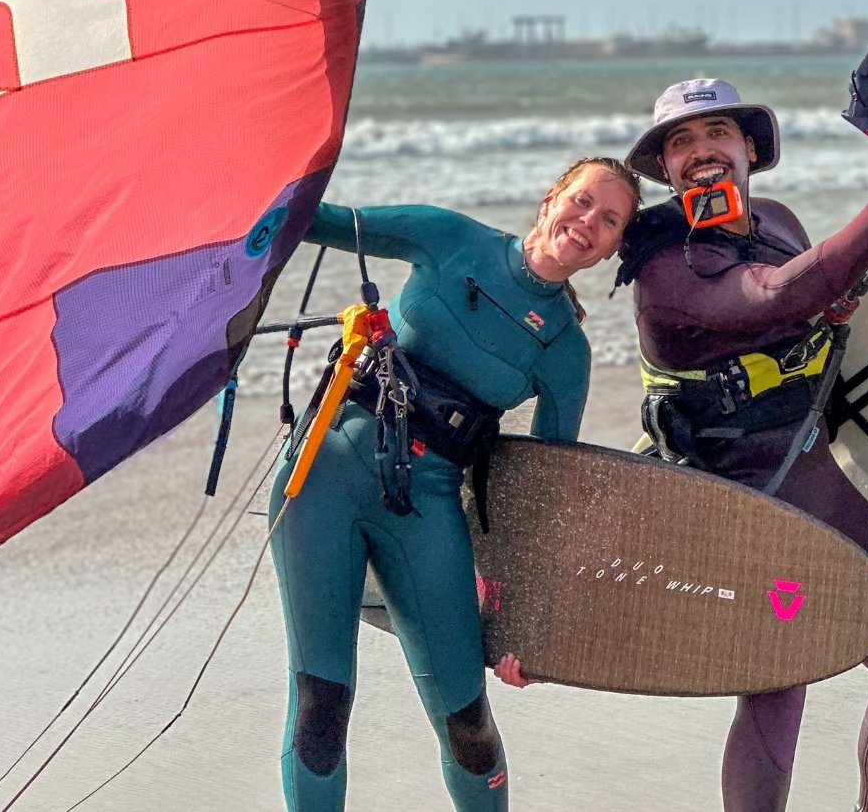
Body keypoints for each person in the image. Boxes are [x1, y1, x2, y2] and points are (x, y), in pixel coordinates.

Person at [266, 157, 641, 812]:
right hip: (320, 478)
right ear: (553, 196)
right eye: (582, 202)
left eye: (608, 221)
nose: (587, 223)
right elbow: (313, 222)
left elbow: (542, 499)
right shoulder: (448, 238)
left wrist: (529, 626)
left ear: (613, 248)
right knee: (320, 710)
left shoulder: (564, 353)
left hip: (425, 509)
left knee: (468, 726)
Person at [616, 78, 868, 812]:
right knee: (780, 681)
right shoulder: (663, 264)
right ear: (666, 170)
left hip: (816, 475)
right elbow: (772, 297)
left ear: (748, 149)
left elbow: (825, 349)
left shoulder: (776, 220)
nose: (701, 152)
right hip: (739, 501)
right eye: (681, 142)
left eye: (717, 135)